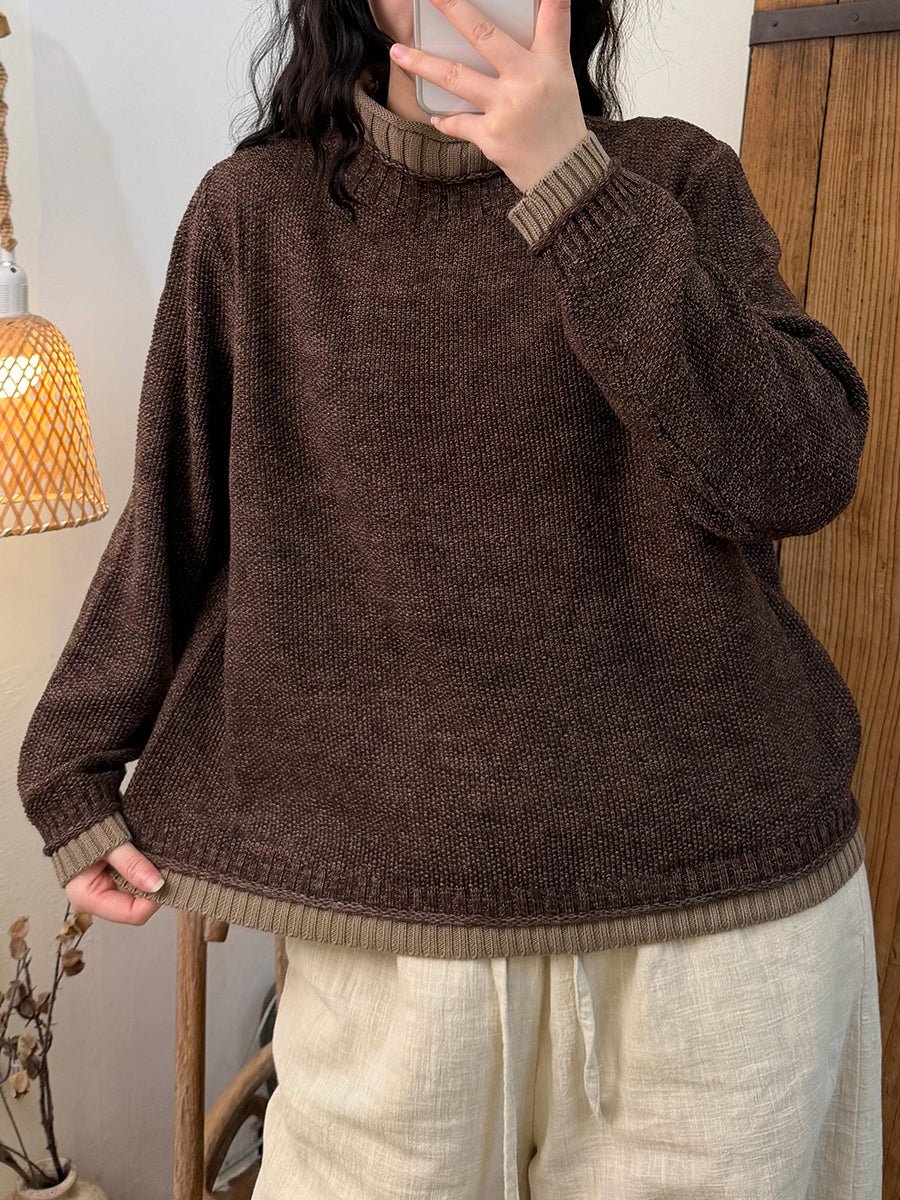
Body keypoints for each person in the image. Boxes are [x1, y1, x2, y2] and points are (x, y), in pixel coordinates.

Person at [17, 0, 882, 1195]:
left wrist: (573, 188)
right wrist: (70, 764)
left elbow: (793, 471)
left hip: (719, 926)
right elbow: (177, 511)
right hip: (391, 929)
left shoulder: (677, 178)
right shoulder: (255, 218)